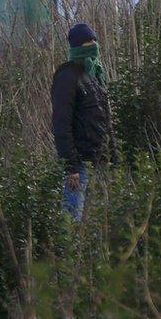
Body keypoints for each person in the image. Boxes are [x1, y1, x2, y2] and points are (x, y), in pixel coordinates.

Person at [51, 23, 114, 222]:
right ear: (78, 46)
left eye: (95, 41)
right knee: (72, 221)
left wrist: (112, 155)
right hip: (80, 166)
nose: (94, 45)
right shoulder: (67, 77)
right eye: (89, 42)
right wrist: (71, 166)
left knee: (98, 221)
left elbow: (104, 119)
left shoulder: (94, 75)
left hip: (99, 161)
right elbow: (61, 124)